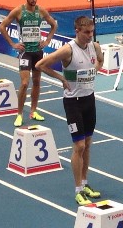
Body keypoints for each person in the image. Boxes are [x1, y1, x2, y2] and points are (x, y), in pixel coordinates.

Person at [36, 16, 104, 205]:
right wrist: (61, 79)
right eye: (86, 32)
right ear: (77, 31)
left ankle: (85, 183)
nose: (90, 36)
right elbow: (40, 65)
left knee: (88, 144)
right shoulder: (68, 50)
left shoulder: (95, 47)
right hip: (73, 103)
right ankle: (78, 190)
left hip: (89, 99)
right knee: (79, 146)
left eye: (92, 32)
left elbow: (100, 60)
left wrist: (95, 70)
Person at [0, 0, 58, 127]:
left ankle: (33, 111)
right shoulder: (18, 11)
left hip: (38, 52)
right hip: (25, 52)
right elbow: (2, 26)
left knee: (37, 82)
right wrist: (13, 44)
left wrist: (47, 41)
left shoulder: (41, 11)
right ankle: (19, 114)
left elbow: (54, 25)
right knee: (25, 83)